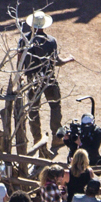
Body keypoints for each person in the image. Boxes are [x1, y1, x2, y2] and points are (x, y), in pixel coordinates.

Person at [19, 10, 69, 140]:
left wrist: (20, 75)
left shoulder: (24, 40)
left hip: (32, 80)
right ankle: (57, 138)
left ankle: (37, 138)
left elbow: (19, 61)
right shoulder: (51, 41)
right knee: (55, 106)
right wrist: (69, 59)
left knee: (33, 109)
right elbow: (56, 61)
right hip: (48, 79)